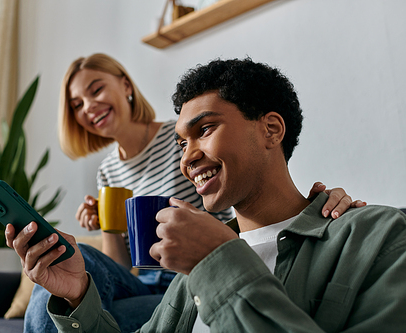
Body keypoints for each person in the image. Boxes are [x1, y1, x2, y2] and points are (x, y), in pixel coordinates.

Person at [20, 55, 371, 332]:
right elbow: (124, 266)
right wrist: (79, 292)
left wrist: (217, 255)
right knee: (73, 261)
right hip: (158, 276)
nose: (186, 156)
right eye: (181, 143)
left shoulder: (368, 235)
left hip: (182, 269)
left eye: (203, 130)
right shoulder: (108, 170)